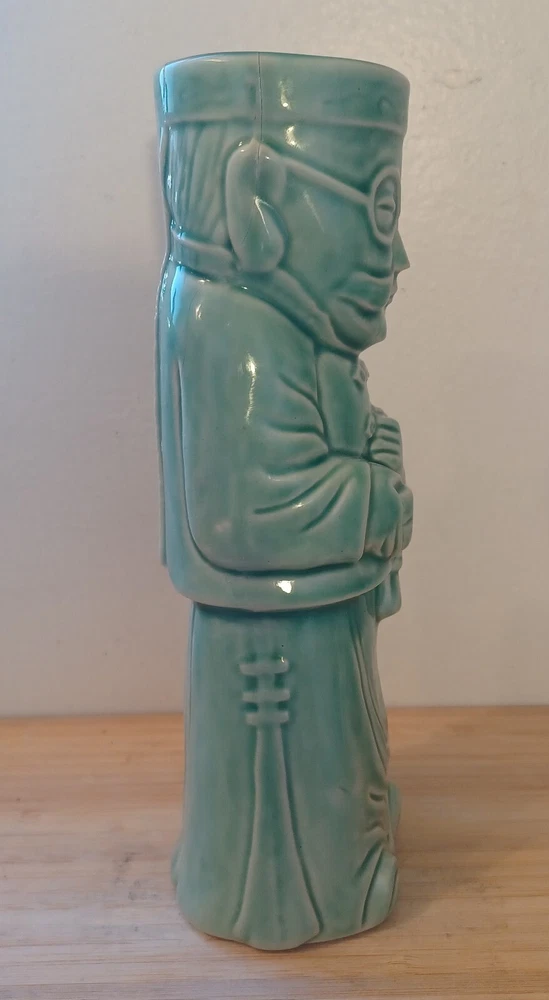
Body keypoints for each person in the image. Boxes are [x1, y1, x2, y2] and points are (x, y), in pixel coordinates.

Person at [156, 52, 413, 948]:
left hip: (315, 633)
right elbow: (251, 515)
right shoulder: (227, 320)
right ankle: (302, 891)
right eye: (381, 211)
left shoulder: (282, 325)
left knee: (341, 767)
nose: (399, 256)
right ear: (258, 195)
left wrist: (365, 443)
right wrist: (375, 500)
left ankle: (339, 866)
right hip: (270, 651)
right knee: (292, 817)